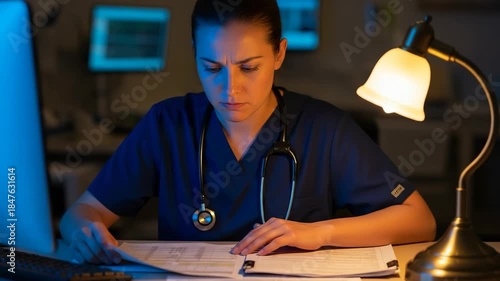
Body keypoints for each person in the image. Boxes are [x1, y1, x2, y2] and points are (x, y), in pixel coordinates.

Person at [59, 0, 436, 265]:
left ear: (279, 55)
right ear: (195, 55)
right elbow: (81, 214)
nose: (230, 89)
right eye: (211, 68)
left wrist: (318, 233)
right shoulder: (168, 124)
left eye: (249, 67)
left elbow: (419, 219)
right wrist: (86, 232)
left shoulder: (324, 128)